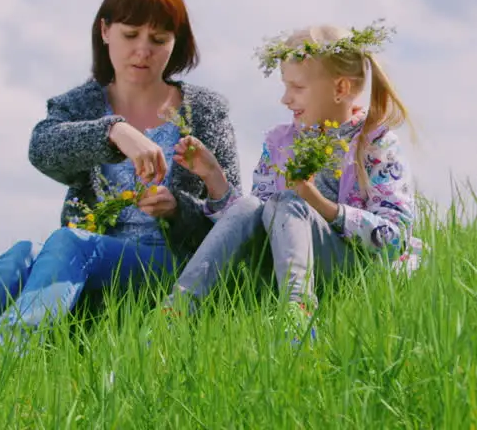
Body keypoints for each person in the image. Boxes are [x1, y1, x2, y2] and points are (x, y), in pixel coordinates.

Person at [0, 0, 242, 364]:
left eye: (158, 39)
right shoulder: (79, 105)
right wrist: (114, 132)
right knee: (25, 253)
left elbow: (236, 219)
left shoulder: (206, 112)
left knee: (67, 240)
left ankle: (2, 353)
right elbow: (42, 148)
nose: (143, 50)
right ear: (105, 31)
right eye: (130, 35)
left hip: (172, 265)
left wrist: (178, 208)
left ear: (175, 43)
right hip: (93, 260)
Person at [163, 19, 421, 342]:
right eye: (285, 86)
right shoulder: (281, 143)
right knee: (253, 205)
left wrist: (321, 206)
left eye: (297, 88)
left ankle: (298, 320)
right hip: (280, 266)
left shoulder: (376, 144)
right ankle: (175, 311)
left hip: (353, 269)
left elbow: (394, 237)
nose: (285, 99)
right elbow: (253, 217)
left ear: (340, 89)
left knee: (290, 206)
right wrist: (213, 176)